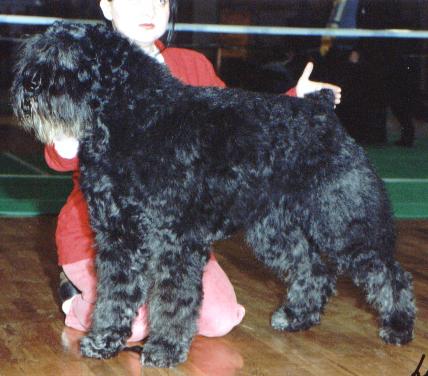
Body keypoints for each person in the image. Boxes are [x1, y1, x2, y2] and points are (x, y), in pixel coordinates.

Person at [48, 0, 342, 342]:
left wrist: (294, 101)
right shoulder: (88, 72)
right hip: (102, 240)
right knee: (135, 324)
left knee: (220, 320)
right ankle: (75, 295)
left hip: (176, 237)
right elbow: (58, 158)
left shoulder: (191, 65)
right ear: (107, 7)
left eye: (158, 1)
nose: (149, 11)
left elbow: (238, 125)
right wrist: (71, 133)